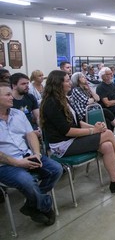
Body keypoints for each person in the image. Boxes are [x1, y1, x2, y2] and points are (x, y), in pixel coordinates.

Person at [40, 70, 115, 193]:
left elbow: (77, 123)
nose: (70, 83)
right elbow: (67, 131)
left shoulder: (64, 99)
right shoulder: (51, 103)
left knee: (107, 145)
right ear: (57, 84)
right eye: (67, 81)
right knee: (108, 133)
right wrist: (94, 131)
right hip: (63, 145)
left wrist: (95, 127)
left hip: (72, 139)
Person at [0, 84, 63, 226]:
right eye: (7, 95)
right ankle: (45, 206)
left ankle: (31, 205)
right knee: (27, 181)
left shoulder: (18, 114)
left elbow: (31, 135)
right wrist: (17, 163)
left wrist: (37, 153)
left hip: (27, 155)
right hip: (5, 164)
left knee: (57, 169)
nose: (12, 97)